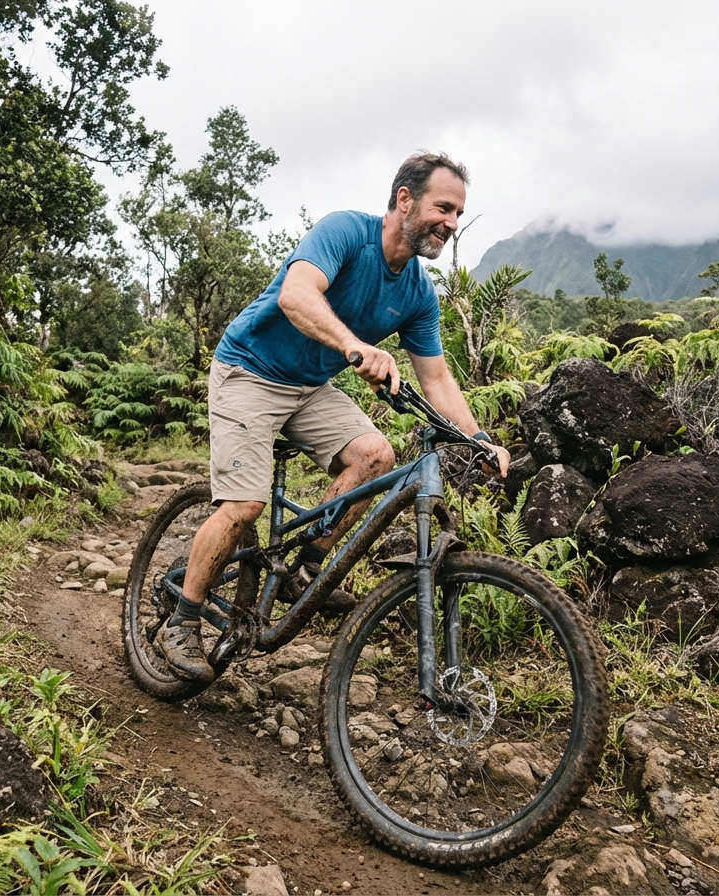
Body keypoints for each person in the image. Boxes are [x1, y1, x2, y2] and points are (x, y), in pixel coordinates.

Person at [155, 151, 511, 683]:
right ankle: (181, 621)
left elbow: (436, 379)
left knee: (376, 456)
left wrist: (478, 438)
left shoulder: (418, 292)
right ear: (405, 199)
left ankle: (302, 569)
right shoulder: (346, 232)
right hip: (249, 369)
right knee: (246, 504)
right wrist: (355, 346)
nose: (452, 223)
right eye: (444, 208)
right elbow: (296, 294)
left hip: (308, 386)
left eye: (458, 213)